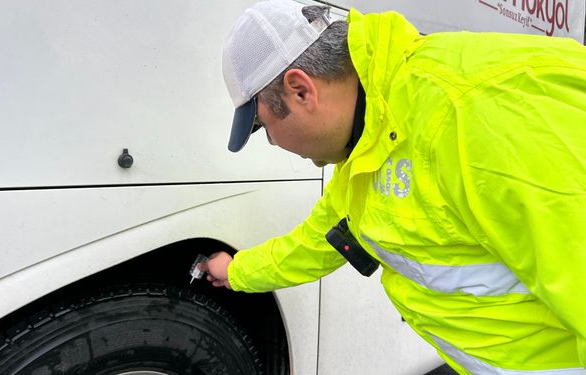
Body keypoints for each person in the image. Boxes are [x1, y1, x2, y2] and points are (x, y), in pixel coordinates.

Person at [199, 0, 586, 373]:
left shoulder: (470, 112)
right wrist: (236, 271)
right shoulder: (368, 147)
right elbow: (317, 241)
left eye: (265, 127)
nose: (275, 144)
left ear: (301, 90)